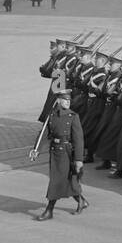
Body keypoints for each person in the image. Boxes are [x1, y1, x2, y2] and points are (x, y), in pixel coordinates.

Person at [35, 90, 86, 221]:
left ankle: (49, 210)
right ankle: (81, 200)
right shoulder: (51, 115)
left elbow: (79, 140)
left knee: (56, 181)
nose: (68, 102)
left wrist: (79, 159)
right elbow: (45, 134)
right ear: (58, 100)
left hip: (66, 152)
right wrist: (36, 149)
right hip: (55, 151)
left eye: (69, 100)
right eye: (65, 100)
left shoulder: (73, 117)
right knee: (67, 180)